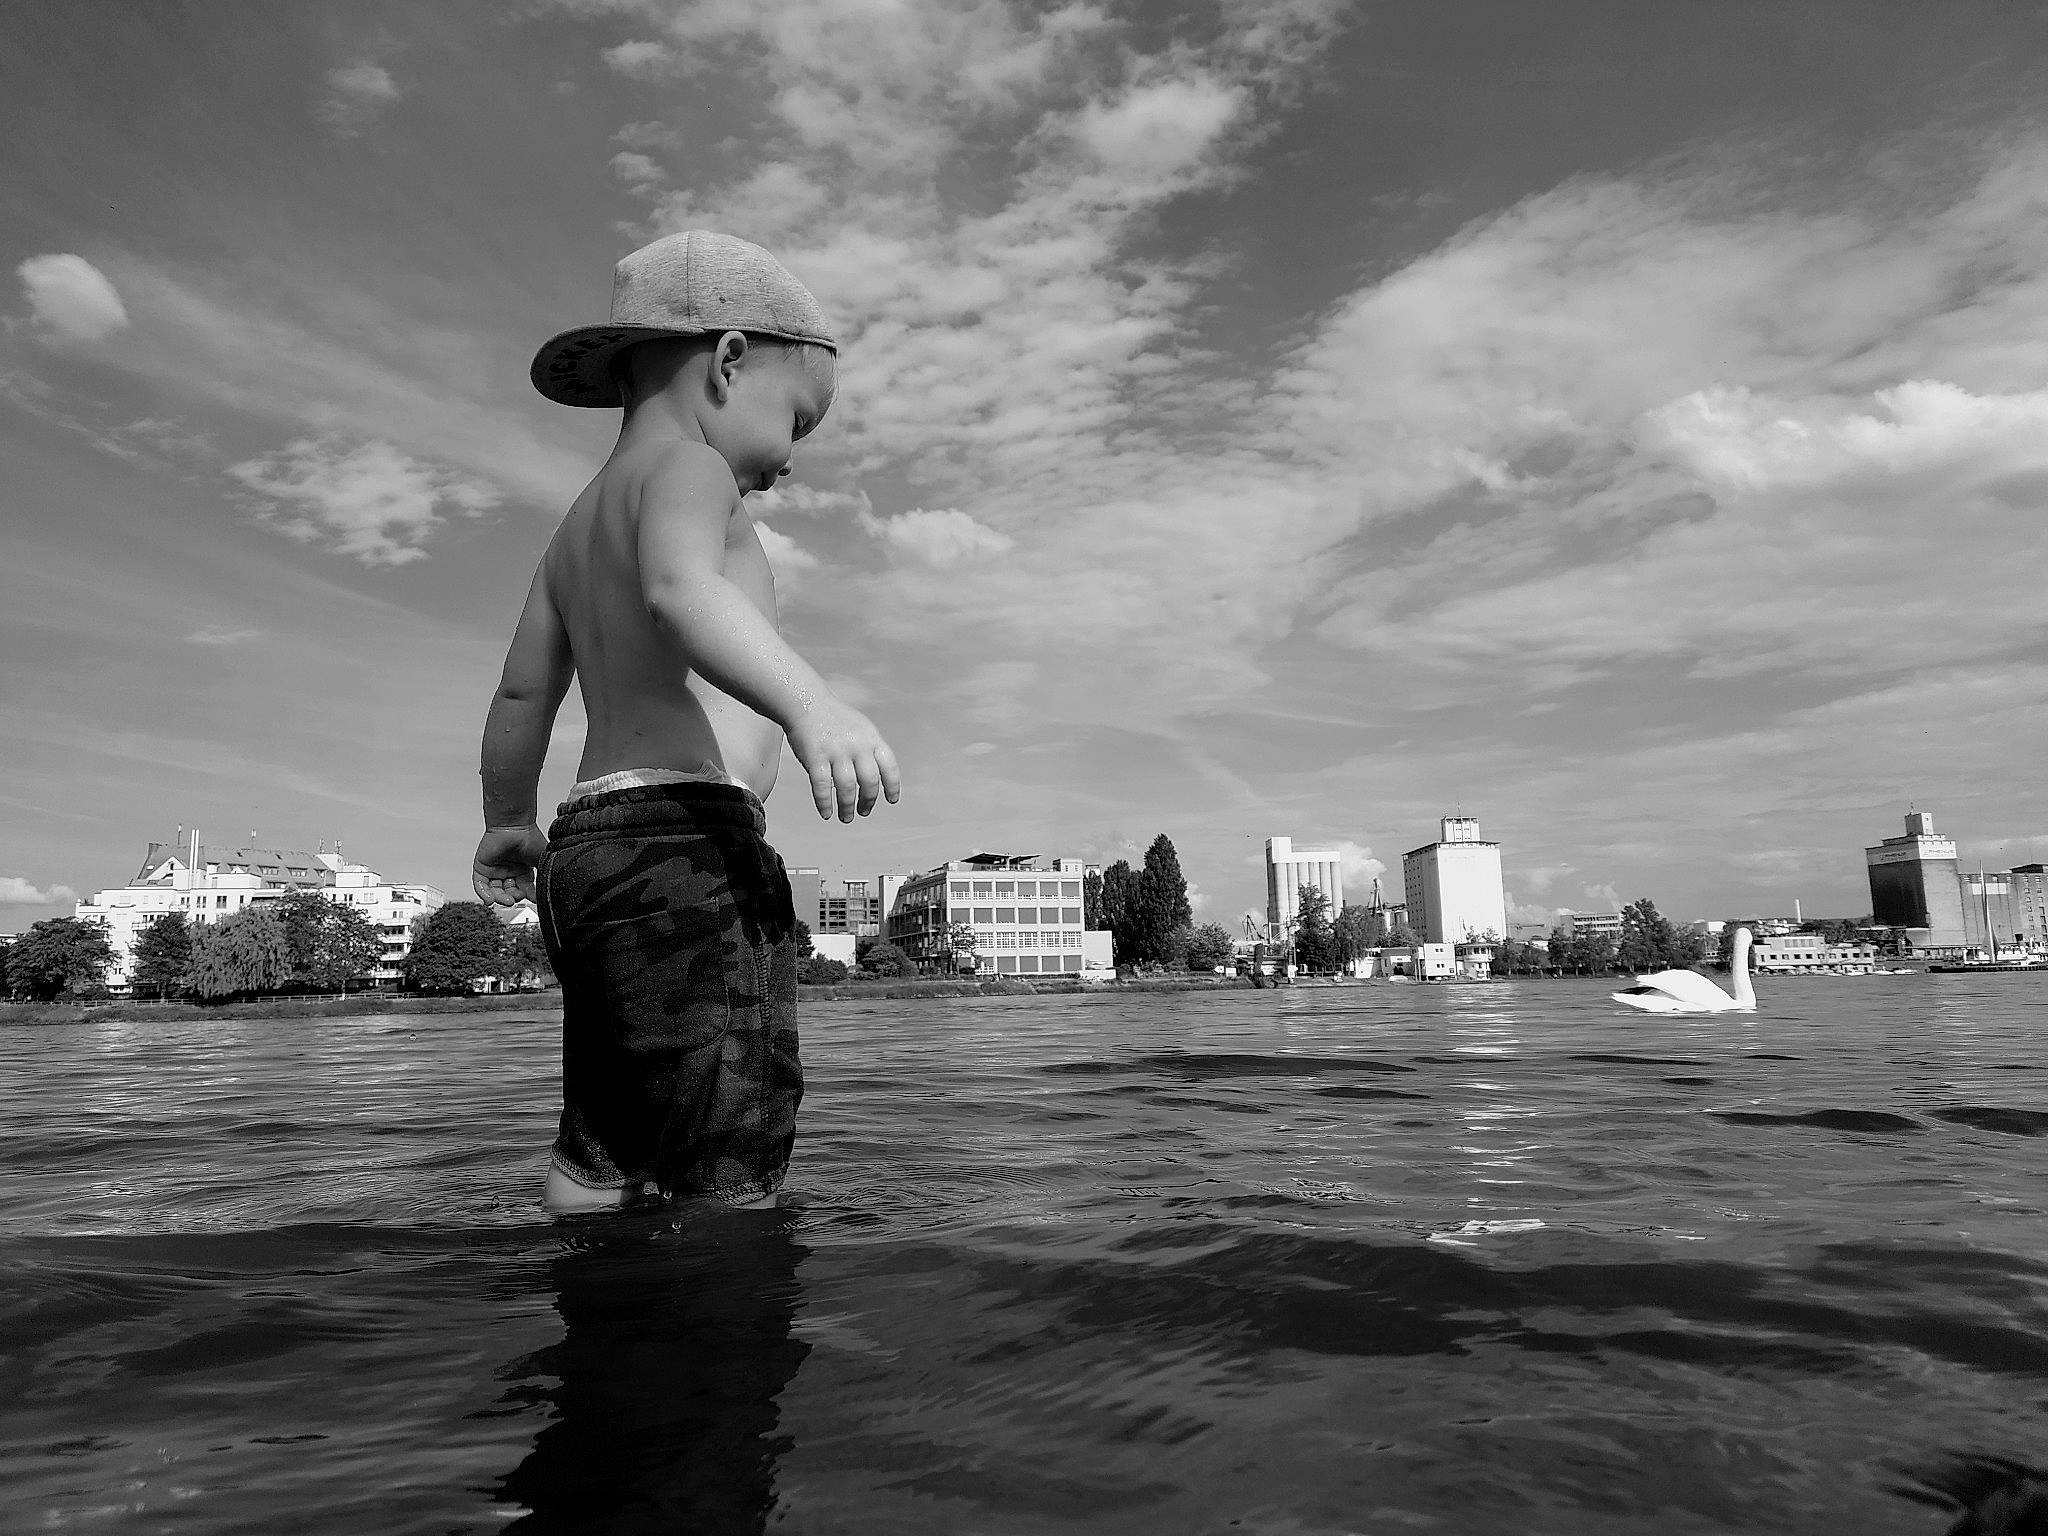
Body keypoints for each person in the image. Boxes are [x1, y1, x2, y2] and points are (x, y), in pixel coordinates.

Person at [472, 229, 900, 1214]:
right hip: (686, 849)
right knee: (728, 1127)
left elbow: (520, 696)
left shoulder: (574, 527)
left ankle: (581, 1281)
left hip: (582, 853)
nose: (790, 458)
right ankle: (714, 1332)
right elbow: (677, 589)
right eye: (796, 420)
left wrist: (506, 819)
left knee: (604, 1131)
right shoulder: (689, 471)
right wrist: (810, 704)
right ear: (728, 362)